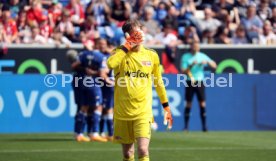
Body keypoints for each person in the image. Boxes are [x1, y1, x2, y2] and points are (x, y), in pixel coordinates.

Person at [107, 19, 173, 161]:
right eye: (135, 33)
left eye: (140, 31)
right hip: (122, 113)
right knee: (127, 154)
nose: (139, 35)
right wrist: (128, 45)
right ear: (127, 35)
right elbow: (110, 64)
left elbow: (159, 83)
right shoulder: (119, 52)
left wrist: (166, 107)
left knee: (143, 150)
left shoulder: (151, 55)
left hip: (143, 112)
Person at [72, 42, 111, 142]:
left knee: (84, 107)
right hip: (93, 84)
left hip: (82, 82)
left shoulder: (83, 54)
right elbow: (103, 74)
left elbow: (74, 65)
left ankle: (78, 133)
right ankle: (94, 133)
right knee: (98, 106)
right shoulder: (101, 56)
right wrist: (109, 81)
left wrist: (85, 69)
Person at [181, 41, 217, 132]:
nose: (196, 48)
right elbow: (183, 71)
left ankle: (204, 126)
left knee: (202, 103)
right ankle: (186, 127)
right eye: (194, 46)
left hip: (200, 82)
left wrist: (208, 62)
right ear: (191, 47)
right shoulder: (186, 57)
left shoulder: (202, 56)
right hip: (190, 81)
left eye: (197, 46)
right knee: (189, 103)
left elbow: (214, 65)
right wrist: (191, 65)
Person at [96, 38, 115, 141]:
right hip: (106, 85)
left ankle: (107, 133)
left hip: (108, 85)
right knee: (106, 109)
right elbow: (103, 72)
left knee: (107, 109)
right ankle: (108, 133)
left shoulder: (110, 57)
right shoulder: (107, 58)